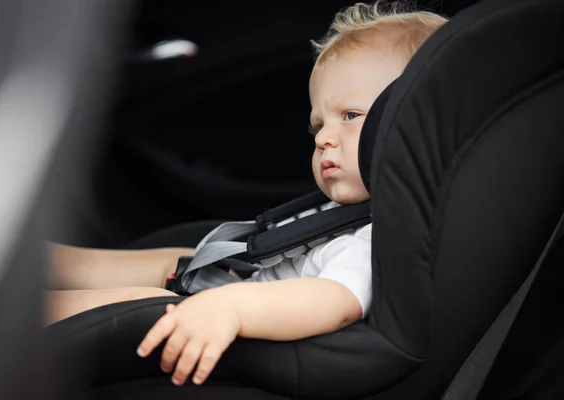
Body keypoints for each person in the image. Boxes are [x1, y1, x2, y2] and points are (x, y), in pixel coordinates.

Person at [45, 0, 447, 388]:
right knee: (176, 260)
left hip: (248, 320)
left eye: (351, 117)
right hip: (244, 286)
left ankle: (27, 318)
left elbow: (335, 301)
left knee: (147, 297)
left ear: (417, 124)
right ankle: (52, 263)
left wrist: (232, 308)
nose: (324, 138)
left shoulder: (371, 241)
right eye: (317, 125)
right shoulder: (363, 212)